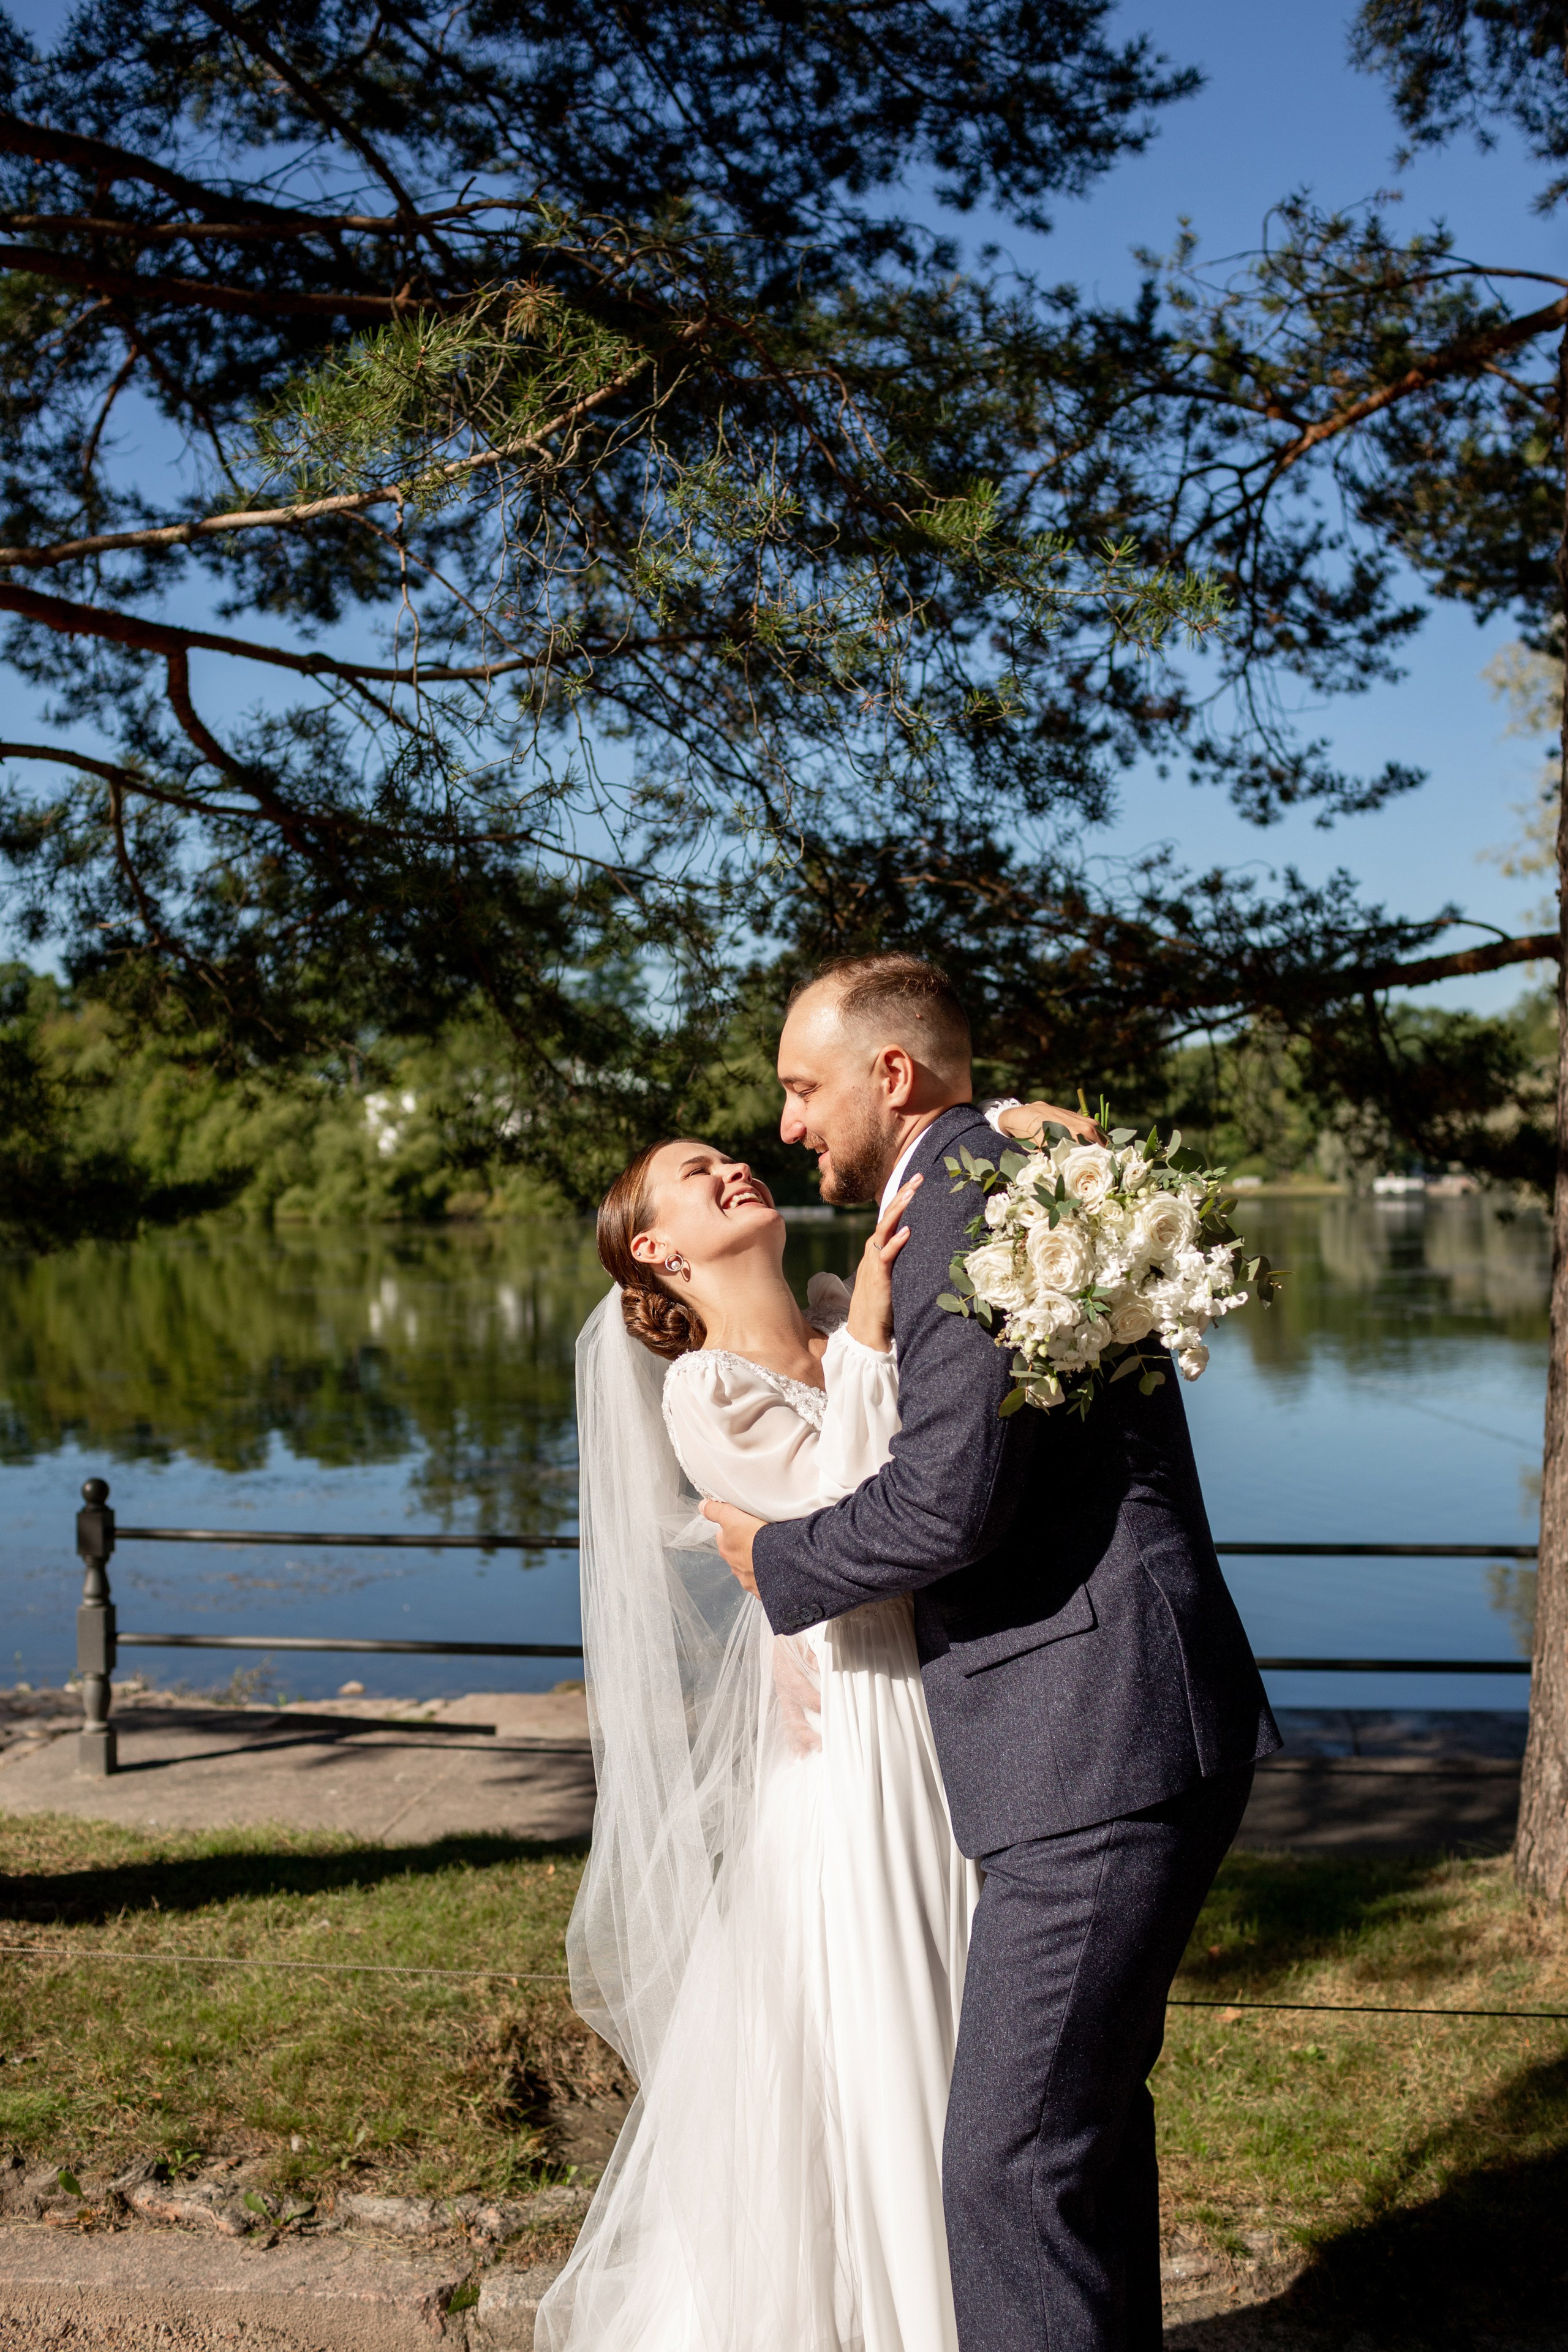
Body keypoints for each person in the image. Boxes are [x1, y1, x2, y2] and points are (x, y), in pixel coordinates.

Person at [704, 951, 1281, 2352]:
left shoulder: (965, 1199)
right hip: (1123, 1719)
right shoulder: (1001, 1171)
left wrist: (775, 1559)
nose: (785, 1124)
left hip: (1092, 1738)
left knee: (1008, 2168)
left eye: (802, 1087)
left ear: (890, 1075)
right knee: (1074, 2145)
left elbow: (949, 1501)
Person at [538, 1088, 1089, 2352]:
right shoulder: (705, 1392)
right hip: (857, 1732)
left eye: (726, 1155)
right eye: (696, 1174)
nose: (733, 1166)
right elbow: (860, 1522)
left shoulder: (846, 1307)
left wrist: (1005, 1124)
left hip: (961, 1699)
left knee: (980, 2028)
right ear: (658, 1251)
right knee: (889, 2030)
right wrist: (874, 1341)